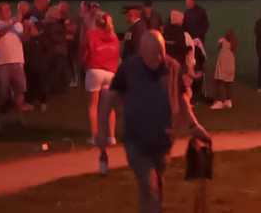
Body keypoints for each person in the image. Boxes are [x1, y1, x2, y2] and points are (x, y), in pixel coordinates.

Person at [97, 30, 210, 213]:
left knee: (154, 187)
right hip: (137, 141)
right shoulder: (129, 68)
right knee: (150, 186)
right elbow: (109, 97)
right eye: (153, 54)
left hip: (164, 141)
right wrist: (102, 130)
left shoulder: (172, 66)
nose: (159, 57)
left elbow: (182, 98)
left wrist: (194, 125)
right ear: (141, 52)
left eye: (161, 51)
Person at [82, 12, 120, 147]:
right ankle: (112, 137)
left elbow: (86, 52)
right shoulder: (114, 37)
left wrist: (84, 64)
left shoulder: (91, 34)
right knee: (110, 107)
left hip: (95, 70)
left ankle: (95, 137)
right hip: (110, 73)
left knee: (93, 105)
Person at [0, 2, 28, 125]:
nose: (7, 12)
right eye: (4, 10)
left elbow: (24, 39)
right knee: (2, 93)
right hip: (1, 63)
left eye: (8, 10)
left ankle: (19, 117)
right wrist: (12, 24)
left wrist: (27, 29)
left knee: (20, 91)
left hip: (17, 61)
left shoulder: (18, 25)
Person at [210, 29, 236, 110]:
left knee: (220, 82)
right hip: (231, 64)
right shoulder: (234, 43)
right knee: (228, 83)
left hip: (223, 64)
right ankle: (228, 101)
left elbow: (218, 47)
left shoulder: (222, 41)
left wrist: (221, 41)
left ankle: (220, 102)